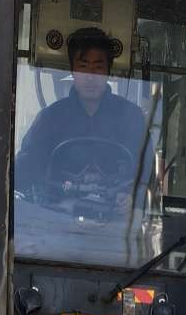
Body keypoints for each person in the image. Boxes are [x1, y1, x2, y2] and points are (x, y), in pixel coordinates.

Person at [14, 27, 151, 217]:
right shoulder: (50, 119)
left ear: (108, 71)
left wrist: (133, 196)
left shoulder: (131, 117)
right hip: (57, 222)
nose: (90, 77)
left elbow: (146, 172)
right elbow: (28, 167)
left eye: (98, 67)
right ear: (72, 70)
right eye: (83, 66)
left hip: (116, 224)